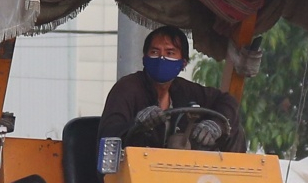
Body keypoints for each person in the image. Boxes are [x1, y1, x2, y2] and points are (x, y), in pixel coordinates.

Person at [98, 25, 244, 151]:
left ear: (183, 63)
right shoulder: (127, 88)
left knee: (233, 127)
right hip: (138, 173)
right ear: (144, 58)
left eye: (170, 53)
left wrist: (216, 125)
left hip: (180, 175)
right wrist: (136, 125)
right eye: (155, 52)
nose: (161, 58)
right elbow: (108, 136)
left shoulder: (184, 89)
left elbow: (226, 100)